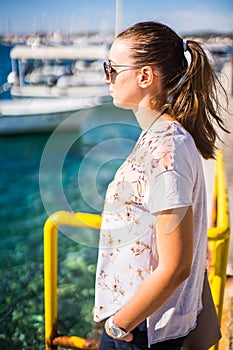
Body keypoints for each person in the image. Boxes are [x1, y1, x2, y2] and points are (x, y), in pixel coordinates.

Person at [93, 21, 228, 350]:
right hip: (140, 322)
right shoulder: (159, 137)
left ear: (144, 76)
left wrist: (119, 325)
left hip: (143, 330)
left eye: (111, 68)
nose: (106, 77)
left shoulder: (166, 149)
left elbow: (176, 266)